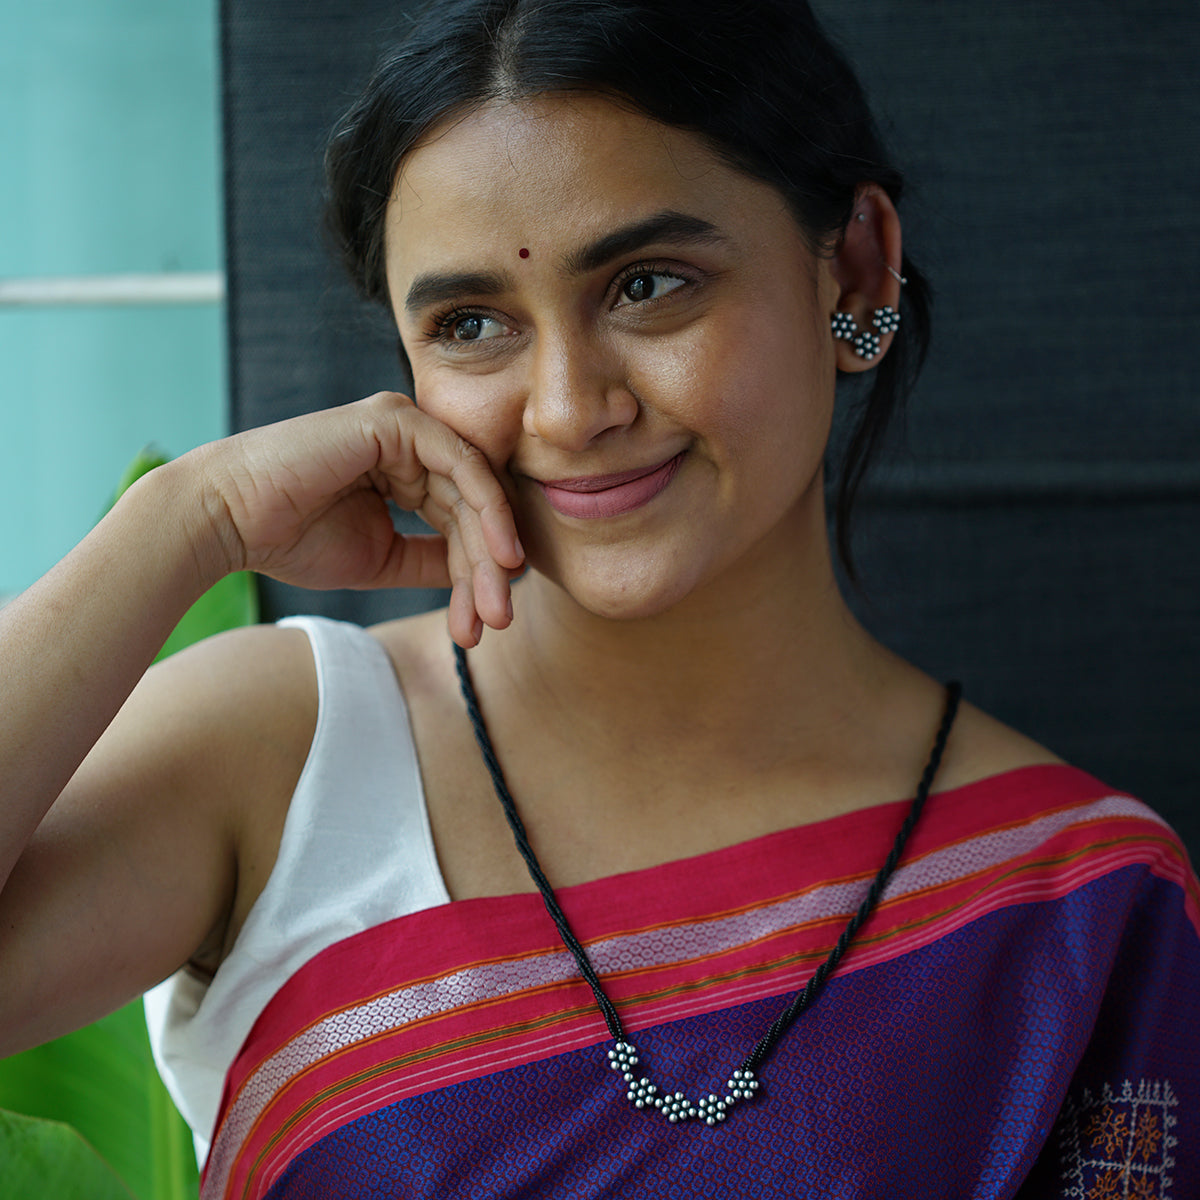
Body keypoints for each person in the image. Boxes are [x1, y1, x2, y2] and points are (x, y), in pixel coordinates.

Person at [1, 0, 1196, 1195]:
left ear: (857, 267)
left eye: (649, 285)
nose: (571, 409)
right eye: (471, 325)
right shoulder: (285, 754)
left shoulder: (1079, 906)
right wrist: (185, 522)